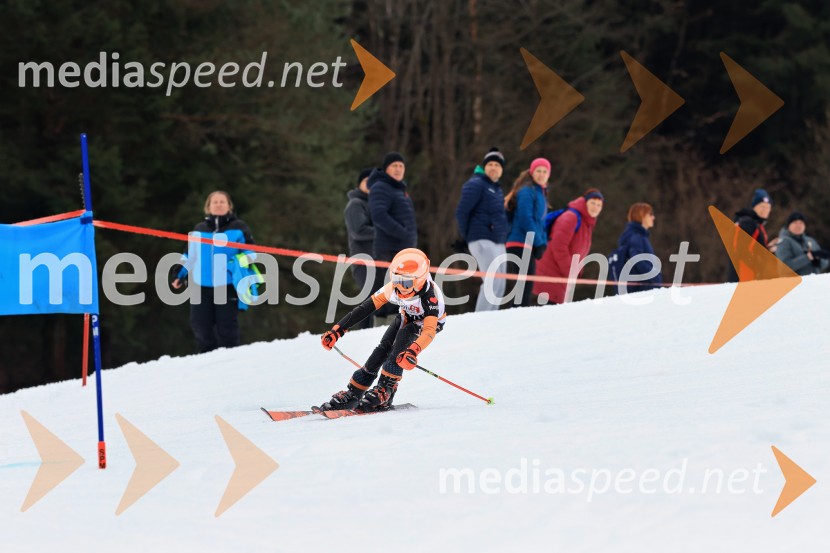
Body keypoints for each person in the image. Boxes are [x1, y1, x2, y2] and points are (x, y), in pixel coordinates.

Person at [317, 248, 445, 412]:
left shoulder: (430, 297)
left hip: (429, 323)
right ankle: (354, 392)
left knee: (401, 345)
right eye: (396, 279)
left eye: (405, 283)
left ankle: (386, 389)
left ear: (419, 281)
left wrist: (413, 351)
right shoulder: (394, 288)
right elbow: (365, 308)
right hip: (407, 317)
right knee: (382, 348)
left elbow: (429, 331)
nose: (399, 287)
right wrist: (337, 330)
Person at [172, 191, 256, 353]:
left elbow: (252, 253)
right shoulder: (199, 229)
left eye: (222, 201)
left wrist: (237, 261)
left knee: (226, 326)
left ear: (229, 206)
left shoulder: (239, 227)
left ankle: (231, 358)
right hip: (200, 285)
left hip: (227, 284)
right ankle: (207, 358)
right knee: (200, 325)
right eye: (214, 202)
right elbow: (189, 255)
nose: (218, 204)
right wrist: (179, 275)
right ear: (208, 207)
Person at [455, 147, 509, 311]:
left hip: (498, 240)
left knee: (500, 285)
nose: (494, 167)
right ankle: (480, 320)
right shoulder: (477, 184)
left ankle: (491, 321)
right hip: (482, 238)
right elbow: (462, 212)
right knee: (492, 282)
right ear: (484, 167)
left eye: (497, 165)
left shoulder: (497, 189)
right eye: (490, 164)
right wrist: (467, 236)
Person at [368, 152, 418, 321]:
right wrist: (402, 233)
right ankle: (384, 331)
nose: (398, 169)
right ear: (386, 169)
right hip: (388, 249)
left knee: (402, 294)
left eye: (401, 166)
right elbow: (379, 215)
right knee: (390, 294)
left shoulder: (399, 189)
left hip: (403, 250)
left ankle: (396, 331)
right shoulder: (381, 187)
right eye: (394, 166)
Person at [534, 189, 603, 304]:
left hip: (560, 278)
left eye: (599, 205)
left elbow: (579, 252)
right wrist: (570, 271)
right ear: (584, 202)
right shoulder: (571, 217)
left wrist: (577, 270)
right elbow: (558, 246)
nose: (595, 207)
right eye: (592, 203)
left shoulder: (587, 224)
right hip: (549, 275)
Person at [503, 158, 550, 307]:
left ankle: (519, 316)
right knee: (523, 285)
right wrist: (539, 242)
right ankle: (516, 319)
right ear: (532, 172)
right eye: (538, 171)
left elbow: (539, 222)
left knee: (526, 285)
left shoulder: (540, 193)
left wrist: (542, 242)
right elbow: (525, 218)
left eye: (545, 171)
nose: (541, 174)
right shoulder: (526, 191)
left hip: (528, 244)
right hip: (519, 242)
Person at [344, 167, 375, 329]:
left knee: (381, 299)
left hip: (381, 261)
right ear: (359, 184)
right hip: (364, 261)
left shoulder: (377, 205)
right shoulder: (355, 204)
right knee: (370, 299)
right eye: (367, 180)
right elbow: (359, 231)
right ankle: (362, 333)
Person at [609, 203, 663, 294]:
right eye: (650, 214)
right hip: (643, 289)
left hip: (640, 288)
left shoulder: (635, 235)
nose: (653, 217)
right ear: (642, 215)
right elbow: (637, 259)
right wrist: (654, 277)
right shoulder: (636, 236)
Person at [726, 188, 772, 282]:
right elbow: (741, 250)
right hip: (744, 278)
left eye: (768, 207)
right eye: (762, 206)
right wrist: (758, 266)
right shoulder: (747, 222)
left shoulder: (757, 224)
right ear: (754, 207)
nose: (765, 210)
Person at [775, 211, 830, 276]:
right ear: (788, 226)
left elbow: (824, 263)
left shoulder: (810, 240)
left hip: (814, 282)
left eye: (801, 223)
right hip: (795, 284)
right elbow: (785, 267)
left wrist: (819, 261)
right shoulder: (783, 242)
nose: (798, 225)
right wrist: (808, 257)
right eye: (795, 223)